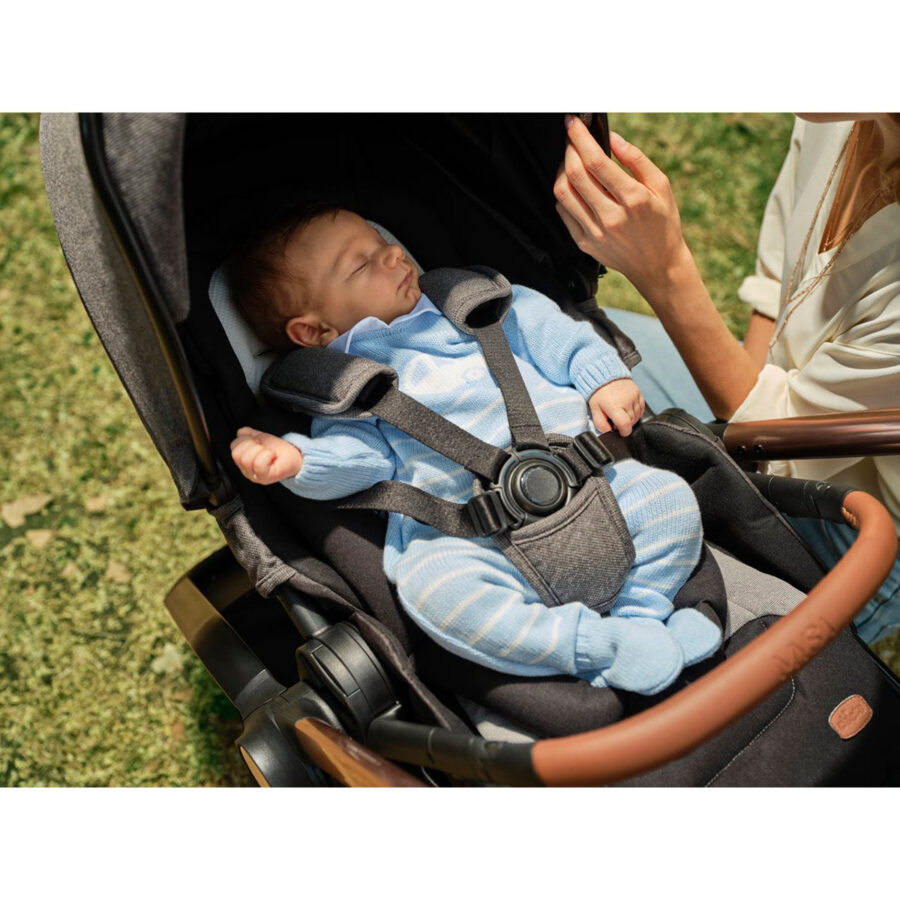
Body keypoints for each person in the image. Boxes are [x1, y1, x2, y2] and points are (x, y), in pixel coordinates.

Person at [228, 206, 722, 694]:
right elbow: (361, 463)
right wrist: (299, 461)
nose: (394, 254)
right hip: (475, 537)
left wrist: (603, 378)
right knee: (433, 588)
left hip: (591, 487)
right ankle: (594, 646)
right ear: (314, 332)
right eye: (362, 264)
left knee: (667, 497)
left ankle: (643, 615)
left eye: (382, 243)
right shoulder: (348, 389)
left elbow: (564, 338)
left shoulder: (483, 306)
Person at [554, 113, 900, 643]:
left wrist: (665, 271)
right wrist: (737, 401)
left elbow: (780, 446)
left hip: (849, 529)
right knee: (564, 353)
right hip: (768, 421)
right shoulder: (844, 110)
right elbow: (778, 266)